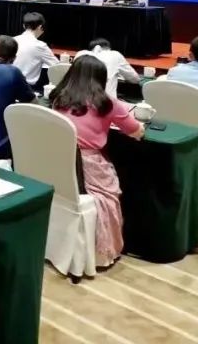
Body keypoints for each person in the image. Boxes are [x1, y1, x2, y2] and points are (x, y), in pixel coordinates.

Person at [49, 56, 144, 268]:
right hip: (87, 163)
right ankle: (103, 252)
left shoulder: (59, 98)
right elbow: (136, 132)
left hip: (58, 160)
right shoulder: (107, 103)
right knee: (109, 198)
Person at [75, 38, 140, 99]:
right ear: (108, 48)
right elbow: (135, 79)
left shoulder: (80, 54)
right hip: (106, 102)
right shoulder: (115, 55)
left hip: (79, 100)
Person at [13, 11, 59, 88]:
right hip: (26, 87)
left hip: (8, 83)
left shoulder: (13, 40)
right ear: (40, 27)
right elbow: (57, 66)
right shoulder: (40, 45)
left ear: (24, 26)